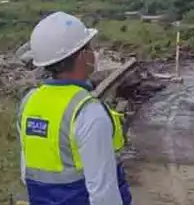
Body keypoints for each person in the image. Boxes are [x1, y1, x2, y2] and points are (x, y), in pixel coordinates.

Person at [17, 12, 132, 205]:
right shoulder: (88, 112)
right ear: (82, 57)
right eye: (90, 48)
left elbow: (25, 173)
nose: (93, 53)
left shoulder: (29, 102)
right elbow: (103, 193)